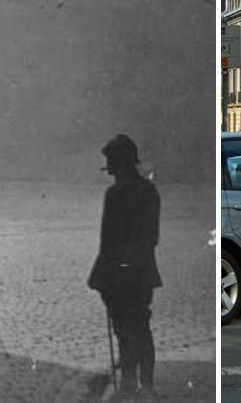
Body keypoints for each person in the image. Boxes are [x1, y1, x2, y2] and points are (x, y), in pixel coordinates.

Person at [89, 135, 162, 396]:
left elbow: (107, 241)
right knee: (141, 327)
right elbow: (152, 238)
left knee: (124, 330)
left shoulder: (115, 194)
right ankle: (147, 385)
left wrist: (102, 276)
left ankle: (130, 383)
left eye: (111, 164)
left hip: (118, 275)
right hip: (142, 272)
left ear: (118, 164)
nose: (110, 171)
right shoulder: (149, 191)